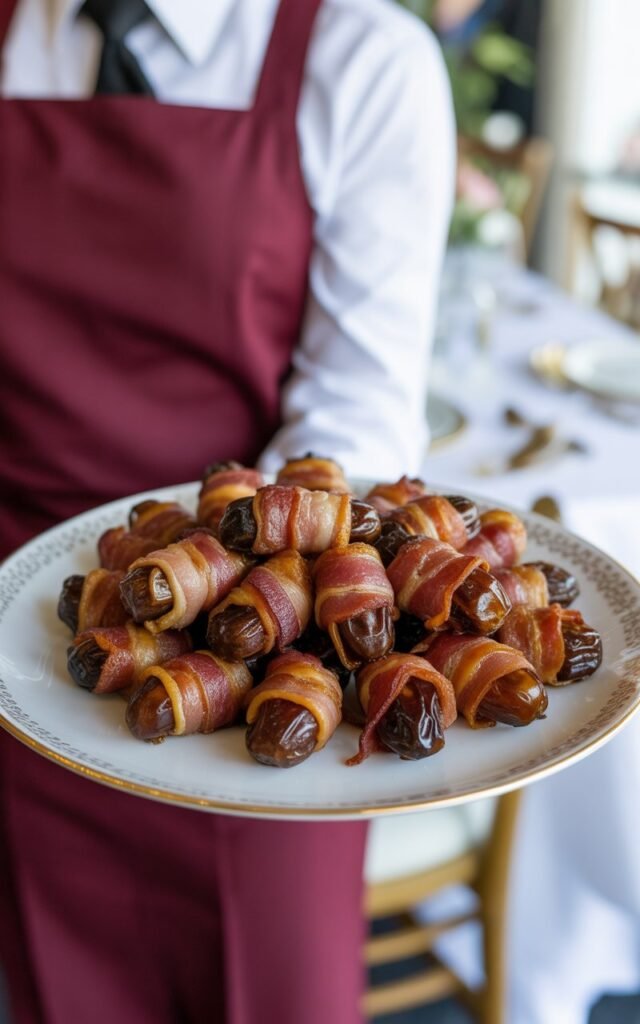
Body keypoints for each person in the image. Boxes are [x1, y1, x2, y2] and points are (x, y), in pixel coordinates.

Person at [0, 1, 455, 1021]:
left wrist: (204, 594)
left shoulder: (359, 59)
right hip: (26, 657)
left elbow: (355, 417)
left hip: (266, 658)